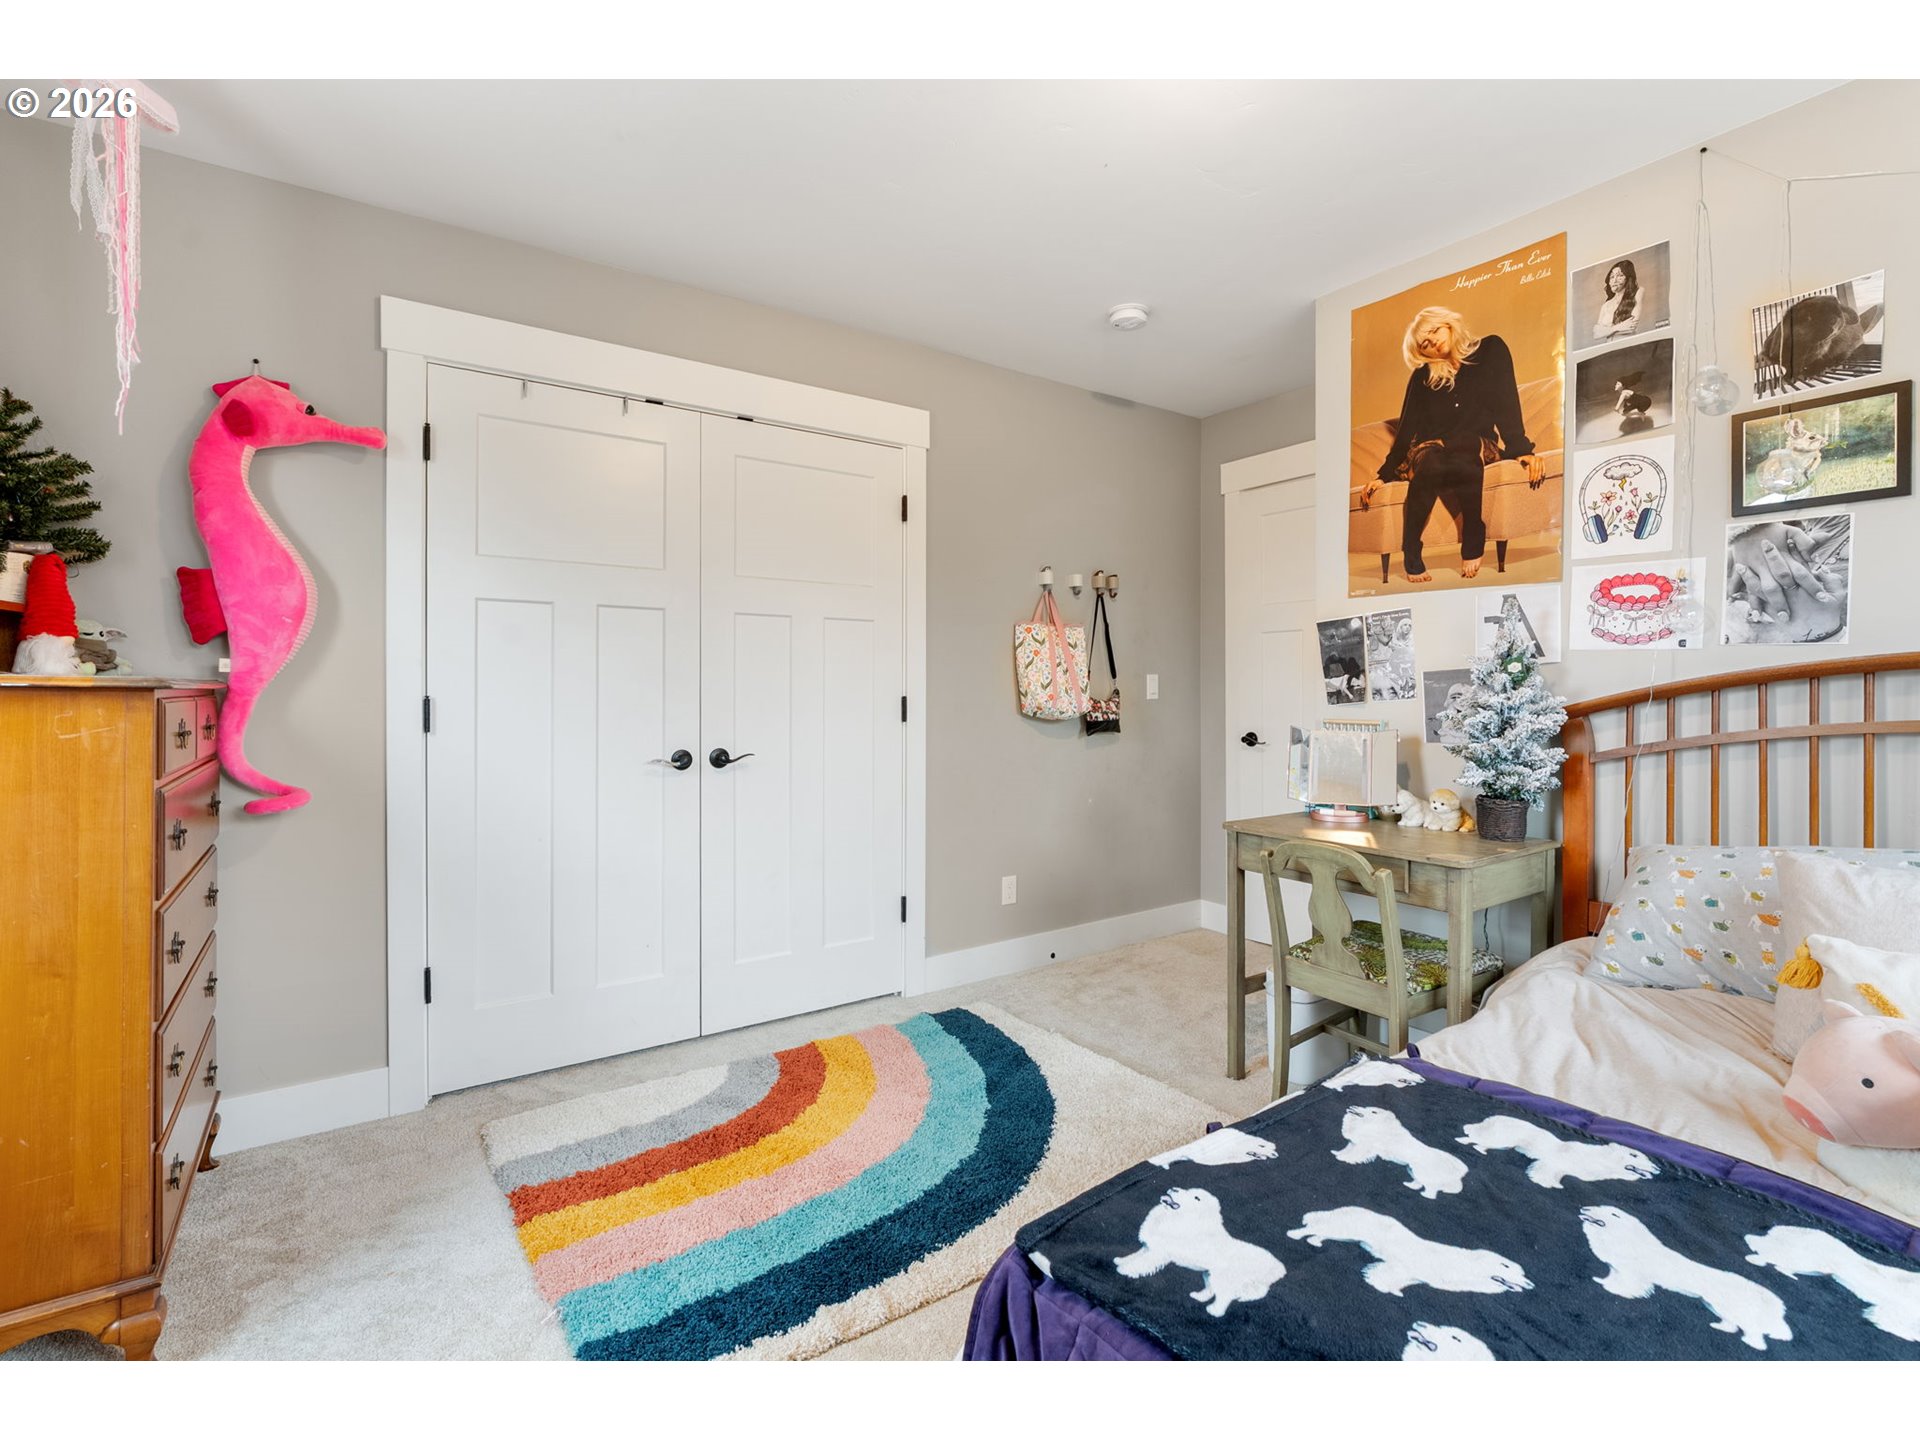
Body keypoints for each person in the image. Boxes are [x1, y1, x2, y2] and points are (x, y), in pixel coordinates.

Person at [1366, 306, 1540, 584]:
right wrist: (1383, 475)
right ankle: (1411, 548)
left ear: (1448, 324)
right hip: (1432, 453)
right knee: (1432, 459)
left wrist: (1522, 450)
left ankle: (1473, 536)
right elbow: (1407, 429)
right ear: (1423, 353)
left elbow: (1506, 402)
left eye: (1434, 330)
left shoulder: (1491, 350)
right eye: (1424, 343)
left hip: (1477, 445)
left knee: (1465, 442)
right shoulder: (1423, 377)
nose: (1432, 341)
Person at [1592, 259, 1642, 342]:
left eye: (1620, 276)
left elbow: (1631, 327)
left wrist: (1606, 330)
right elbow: (1596, 334)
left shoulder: (1638, 292)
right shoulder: (1606, 305)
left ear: (1628, 278)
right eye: (1612, 277)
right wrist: (1617, 328)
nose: (1614, 280)